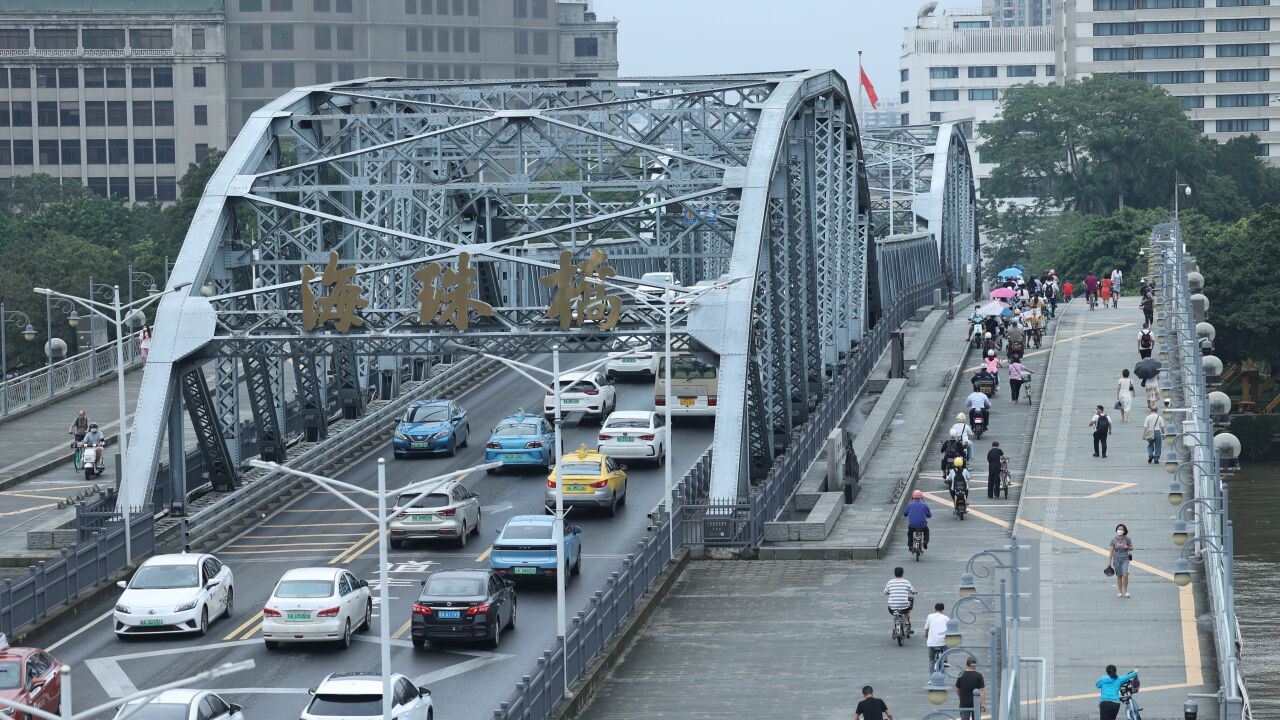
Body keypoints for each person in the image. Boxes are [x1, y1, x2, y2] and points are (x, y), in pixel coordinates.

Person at [884, 566, 917, 630]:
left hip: (892, 608)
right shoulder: (906, 582)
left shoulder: (890, 582)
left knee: (892, 606)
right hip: (904, 607)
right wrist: (914, 592)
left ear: (894, 573)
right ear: (902, 573)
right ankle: (906, 619)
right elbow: (912, 591)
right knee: (910, 600)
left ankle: (896, 618)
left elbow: (885, 592)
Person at [1108, 523, 1134, 597]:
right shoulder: (1113, 540)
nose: (1120, 530)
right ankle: (1120, 592)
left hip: (1125, 558)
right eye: (1118, 529)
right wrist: (1109, 562)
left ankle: (1125, 591)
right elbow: (1111, 552)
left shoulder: (1127, 539)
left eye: (1121, 529)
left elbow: (1132, 548)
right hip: (1117, 559)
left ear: (1124, 531)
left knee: (1125, 575)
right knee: (1119, 576)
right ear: (1116, 530)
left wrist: (1127, 547)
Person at [923, 602, 950, 672]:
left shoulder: (930, 616)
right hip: (942, 642)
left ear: (935, 609)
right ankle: (945, 660)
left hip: (931, 643)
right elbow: (949, 630)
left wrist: (926, 635)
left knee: (931, 660)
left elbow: (926, 628)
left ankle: (931, 678)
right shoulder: (946, 618)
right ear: (943, 610)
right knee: (947, 645)